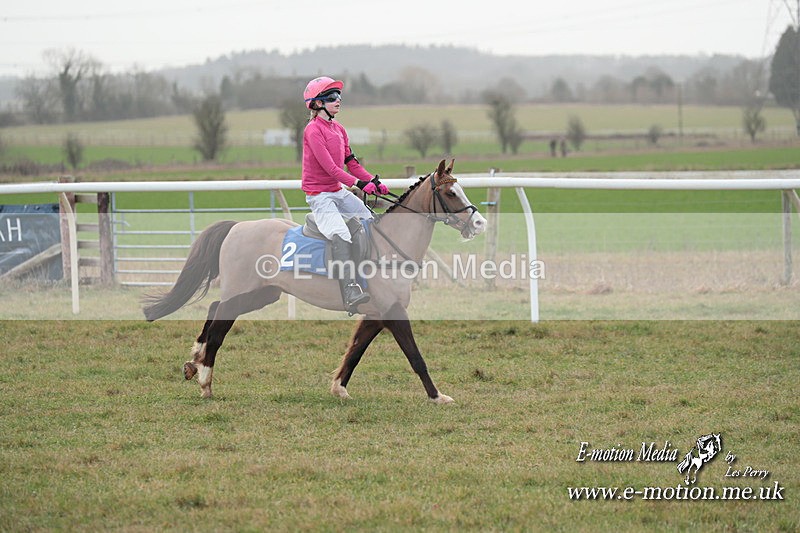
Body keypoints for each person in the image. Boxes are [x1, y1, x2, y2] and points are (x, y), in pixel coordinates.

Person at [301, 76, 389, 313]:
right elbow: (331, 169)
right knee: (340, 233)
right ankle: (349, 290)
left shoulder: (339, 129)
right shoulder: (313, 130)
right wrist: (360, 184)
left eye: (339, 96)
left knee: (370, 220)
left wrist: (373, 182)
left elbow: (351, 163)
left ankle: (372, 273)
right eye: (332, 97)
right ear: (317, 103)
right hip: (319, 195)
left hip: (337, 191)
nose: (338, 100)